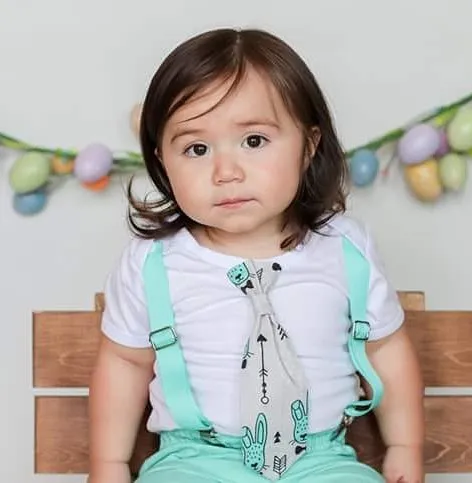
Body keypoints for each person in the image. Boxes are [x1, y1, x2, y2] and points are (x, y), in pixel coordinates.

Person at [88, 28, 424, 483]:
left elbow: (386, 347)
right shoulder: (154, 262)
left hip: (320, 460)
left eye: (254, 141)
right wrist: (107, 465)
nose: (226, 172)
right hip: (193, 461)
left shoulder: (346, 250)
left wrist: (405, 447)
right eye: (197, 148)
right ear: (162, 162)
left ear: (309, 145)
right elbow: (124, 362)